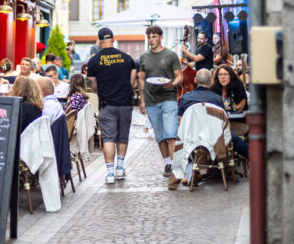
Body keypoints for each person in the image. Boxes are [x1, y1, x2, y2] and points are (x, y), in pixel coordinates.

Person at [88, 27, 137, 184]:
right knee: (122, 136)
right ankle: (120, 168)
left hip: (106, 104)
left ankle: (110, 173)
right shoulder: (127, 58)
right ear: (113, 40)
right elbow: (132, 82)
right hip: (125, 103)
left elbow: (93, 85)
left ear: (99, 41)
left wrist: (103, 89)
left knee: (108, 138)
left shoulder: (94, 61)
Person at [138, 25, 183, 177]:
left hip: (168, 97)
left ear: (161, 37)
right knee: (160, 137)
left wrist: (172, 84)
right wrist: (142, 100)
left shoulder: (170, 55)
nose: (151, 40)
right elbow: (141, 79)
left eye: (154, 36)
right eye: (149, 37)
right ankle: (168, 164)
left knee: (170, 133)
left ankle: (176, 168)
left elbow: (179, 76)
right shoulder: (144, 57)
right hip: (151, 100)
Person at [177, 69, 248, 158]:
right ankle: (254, 156)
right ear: (211, 81)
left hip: (192, 136)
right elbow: (224, 120)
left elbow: (180, 121)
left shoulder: (185, 98)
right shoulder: (216, 98)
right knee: (233, 137)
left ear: (195, 80)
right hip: (214, 136)